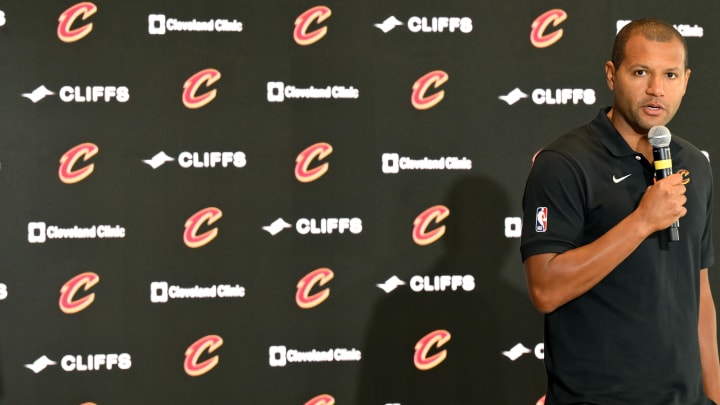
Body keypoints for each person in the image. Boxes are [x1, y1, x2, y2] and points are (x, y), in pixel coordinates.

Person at [520, 18, 720, 404]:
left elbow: (700, 294)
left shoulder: (695, 163)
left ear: (686, 81)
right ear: (612, 75)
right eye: (641, 72)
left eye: (671, 75)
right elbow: (545, 289)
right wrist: (643, 221)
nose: (656, 89)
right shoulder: (564, 162)